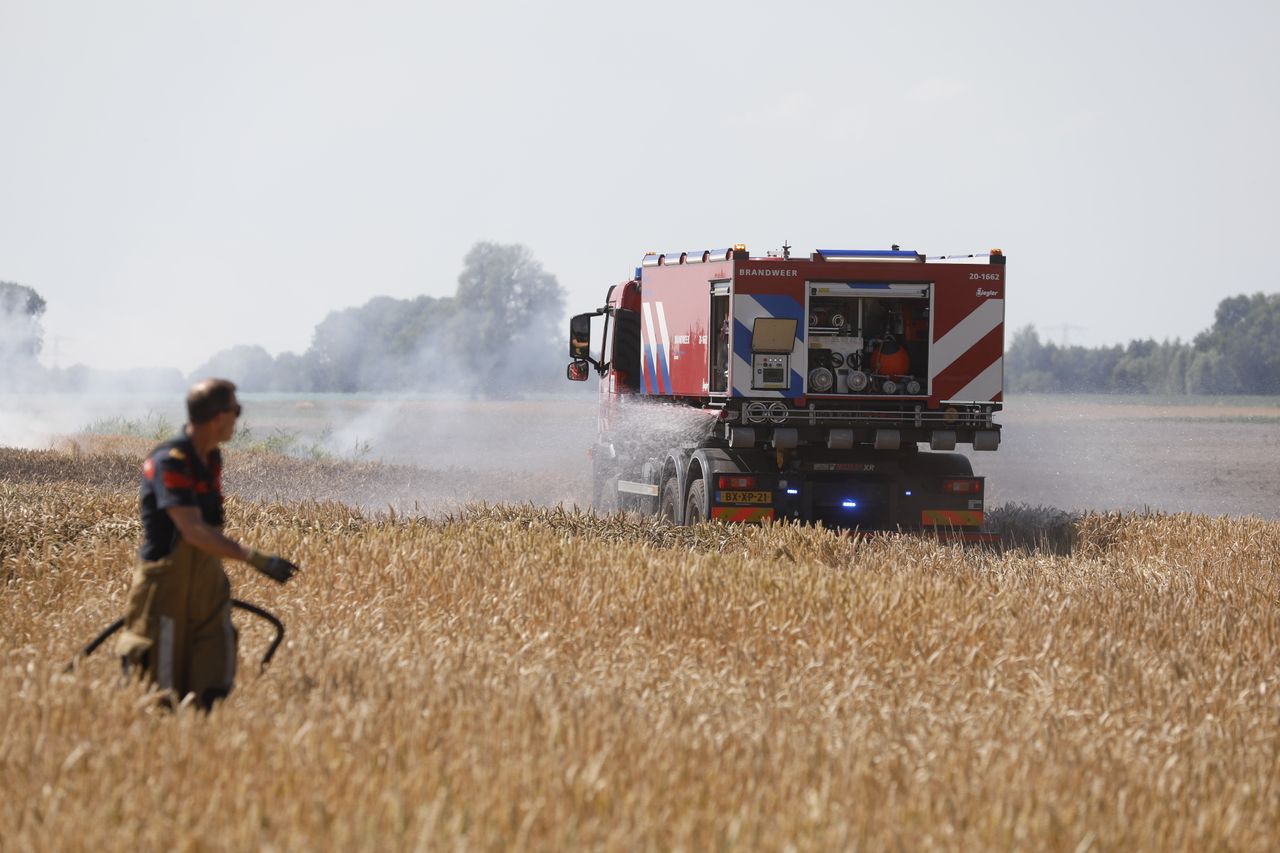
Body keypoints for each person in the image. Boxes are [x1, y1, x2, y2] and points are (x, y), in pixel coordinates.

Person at [115, 378, 299, 710]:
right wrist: (254, 558)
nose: (238, 418)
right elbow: (193, 530)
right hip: (166, 586)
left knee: (213, 676)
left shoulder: (211, 459)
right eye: (236, 410)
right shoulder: (169, 460)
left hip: (207, 582)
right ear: (218, 417)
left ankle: (204, 743)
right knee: (163, 689)